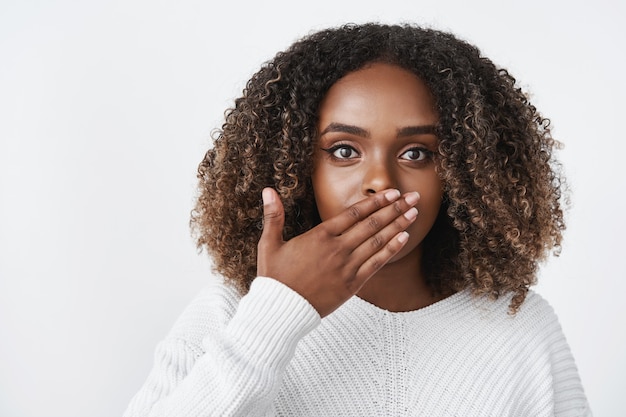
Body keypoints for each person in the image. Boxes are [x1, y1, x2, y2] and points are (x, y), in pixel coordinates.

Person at [123, 23, 591, 416]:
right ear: (299, 167)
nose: (380, 180)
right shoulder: (233, 314)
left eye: (417, 153)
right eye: (344, 150)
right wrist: (275, 315)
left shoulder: (520, 327)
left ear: (466, 172)